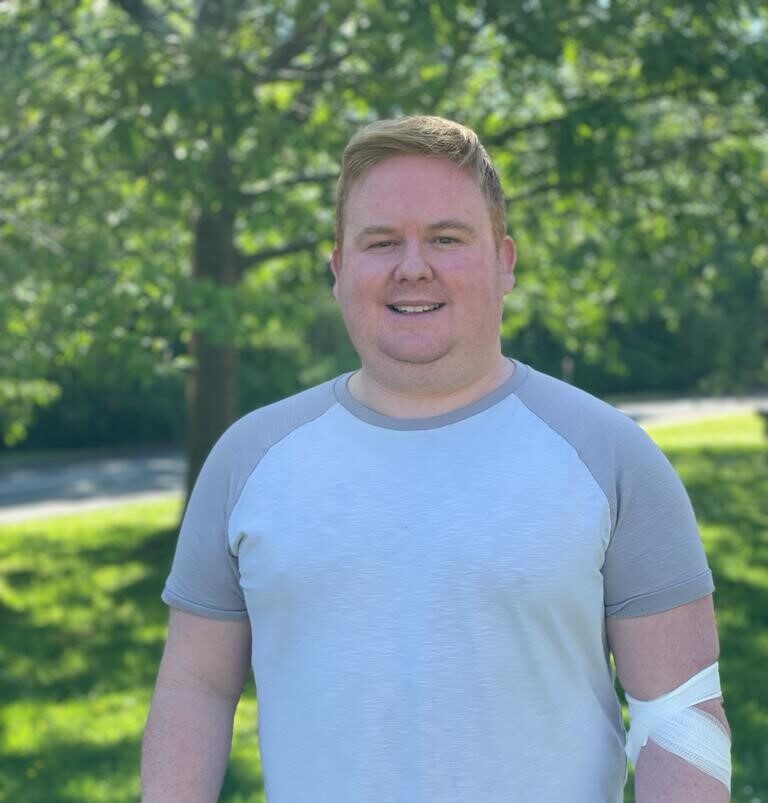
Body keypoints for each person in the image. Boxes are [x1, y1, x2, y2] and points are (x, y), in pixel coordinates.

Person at [141, 116, 731, 802]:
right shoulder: (249, 460)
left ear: (504, 262)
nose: (413, 266)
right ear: (338, 269)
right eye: (381, 242)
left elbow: (681, 717)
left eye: (446, 238)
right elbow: (197, 687)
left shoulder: (611, 457)